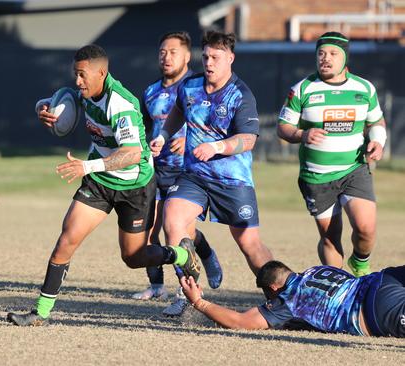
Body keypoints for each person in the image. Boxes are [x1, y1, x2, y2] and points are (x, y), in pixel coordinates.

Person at [7, 44, 201, 326]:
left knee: (134, 257)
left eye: (82, 75)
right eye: (75, 74)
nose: (77, 81)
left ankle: (182, 254)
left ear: (101, 73)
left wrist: (86, 166)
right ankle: (40, 313)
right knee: (67, 238)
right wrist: (43, 109)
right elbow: (55, 100)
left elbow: (132, 153)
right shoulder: (84, 93)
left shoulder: (120, 103)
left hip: (134, 184)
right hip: (99, 181)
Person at [150, 30, 274, 315]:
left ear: (230, 58)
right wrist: (163, 135)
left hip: (232, 181)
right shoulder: (190, 86)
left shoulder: (240, 94)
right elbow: (177, 112)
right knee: (173, 220)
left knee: (249, 244)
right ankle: (186, 294)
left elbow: (248, 139)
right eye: (205, 56)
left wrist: (218, 147)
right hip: (194, 176)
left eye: (215, 57)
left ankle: (282, 297)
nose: (208, 62)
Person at [277, 32, 387, 277]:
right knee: (330, 236)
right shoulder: (302, 89)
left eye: (333, 53)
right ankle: (337, 286)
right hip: (316, 177)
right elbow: (283, 128)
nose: (325, 58)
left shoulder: (364, 88)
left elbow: (377, 122)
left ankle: (360, 264)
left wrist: (378, 142)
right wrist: (302, 135)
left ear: (345, 58)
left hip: (354, 170)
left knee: (366, 229)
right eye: (321, 53)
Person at [135, 31, 223, 316]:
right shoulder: (149, 92)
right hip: (155, 171)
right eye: (162, 51)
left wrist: (188, 141)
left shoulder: (199, 88)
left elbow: (213, 127)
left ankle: (196, 269)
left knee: (181, 232)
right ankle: (156, 285)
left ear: (187, 57)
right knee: (147, 232)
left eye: (173, 52)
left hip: (186, 172)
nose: (166, 57)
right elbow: (145, 128)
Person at [179, 260, 405, 338]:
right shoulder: (319, 269)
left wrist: (199, 302)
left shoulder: (289, 298)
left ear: (273, 288)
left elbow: (241, 322)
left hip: (374, 311)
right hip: (384, 279)